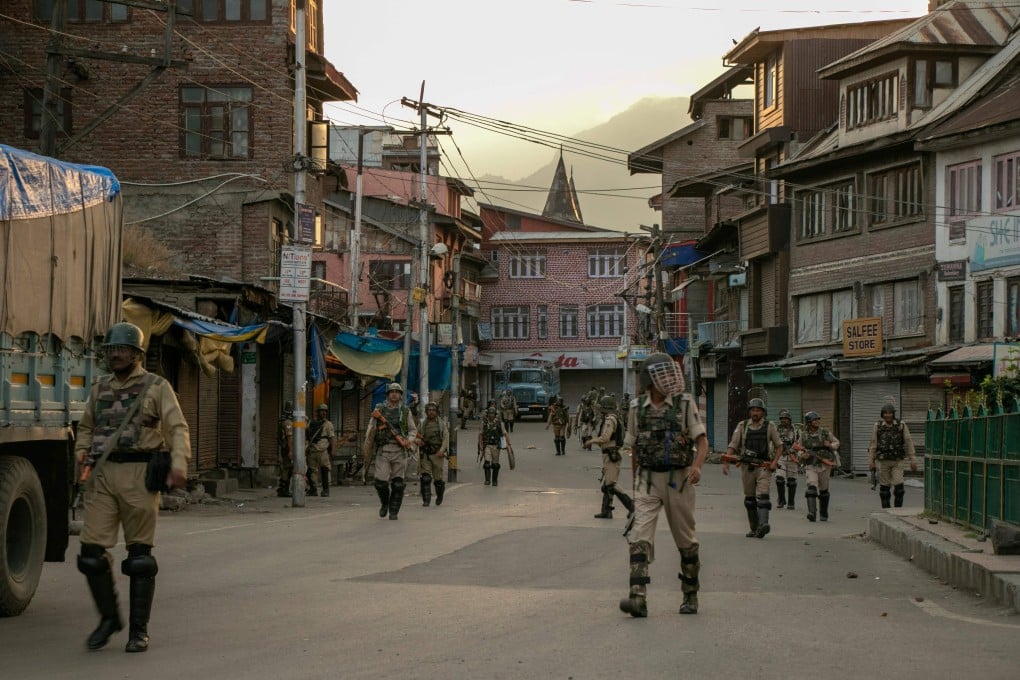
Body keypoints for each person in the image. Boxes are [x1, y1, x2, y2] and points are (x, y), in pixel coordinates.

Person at [74, 322, 191, 653]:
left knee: (139, 557)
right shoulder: (99, 388)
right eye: (111, 350)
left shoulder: (156, 387)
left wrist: (179, 465)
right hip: (102, 474)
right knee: (90, 555)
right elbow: (86, 427)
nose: (116, 355)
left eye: (122, 350)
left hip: (139, 474)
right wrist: (81, 455)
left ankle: (139, 631)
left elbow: (177, 428)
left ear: (138, 354)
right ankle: (109, 618)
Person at [619, 352, 708, 618]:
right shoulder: (636, 408)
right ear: (650, 380)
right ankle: (638, 598)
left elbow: (701, 441)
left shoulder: (683, 404)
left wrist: (697, 467)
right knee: (638, 539)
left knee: (685, 540)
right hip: (647, 480)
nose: (669, 380)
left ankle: (690, 594)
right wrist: (636, 487)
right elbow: (634, 448)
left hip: (677, 480)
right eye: (663, 375)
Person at [722, 398, 783, 538]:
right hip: (747, 467)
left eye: (758, 410)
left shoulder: (770, 426)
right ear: (749, 412)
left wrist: (774, 462)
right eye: (753, 410)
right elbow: (733, 445)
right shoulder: (742, 426)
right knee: (749, 499)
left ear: (763, 412)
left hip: (764, 466)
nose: (755, 413)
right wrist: (726, 462)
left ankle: (763, 524)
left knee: (763, 496)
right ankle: (754, 528)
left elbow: (779, 445)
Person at [364, 383, 417, 519]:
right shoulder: (379, 409)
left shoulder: (405, 411)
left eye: (397, 392)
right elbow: (371, 429)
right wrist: (368, 445)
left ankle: (394, 511)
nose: (394, 394)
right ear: (387, 395)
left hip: (400, 450)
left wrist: (409, 441)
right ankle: (385, 503)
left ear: (400, 395)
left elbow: (412, 430)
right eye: (391, 392)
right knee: (380, 481)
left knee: (398, 484)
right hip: (384, 450)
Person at [590, 394, 634, 520]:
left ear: (605, 407)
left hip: (611, 454)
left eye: (601, 406)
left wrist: (591, 441)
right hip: (609, 454)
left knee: (611, 484)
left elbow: (605, 438)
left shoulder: (610, 419)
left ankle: (631, 506)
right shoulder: (613, 417)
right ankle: (606, 511)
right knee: (607, 485)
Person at [867, 403, 918, 508]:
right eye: (885, 413)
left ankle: (897, 512)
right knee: (884, 490)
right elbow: (873, 444)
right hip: (882, 461)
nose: (888, 415)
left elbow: (909, 441)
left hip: (897, 461)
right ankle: (886, 512)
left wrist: (913, 460)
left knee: (899, 488)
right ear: (882, 414)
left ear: (893, 414)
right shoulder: (878, 426)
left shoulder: (901, 425)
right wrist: (871, 461)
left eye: (890, 413)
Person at [796, 411, 840, 522]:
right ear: (809, 422)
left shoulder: (825, 432)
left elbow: (837, 443)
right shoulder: (804, 435)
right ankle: (812, 512)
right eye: (814, 420)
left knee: (824, 489)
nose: (817, 421)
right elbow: (798, 448)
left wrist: (830, 445)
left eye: (817, 419)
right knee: (811, 486)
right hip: (811, 464)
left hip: (824, 464)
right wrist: (802, 454)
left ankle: (823, 513)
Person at [417, 402, 449, 507]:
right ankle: (426, 500)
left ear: (436, 411)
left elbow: (445, 438)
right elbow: (416, 434)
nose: (431, 412)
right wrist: (418, 441)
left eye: (433, 410)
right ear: (426, 412)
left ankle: (440, 495)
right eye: (429, 410)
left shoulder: (441, 424)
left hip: (437, 454)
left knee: (438, 479)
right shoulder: (422, 424)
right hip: (425, 454)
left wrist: (442, 450)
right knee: (425, 478)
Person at [306, 404, 336, 497]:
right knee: (311, 471)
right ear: (317, 412)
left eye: (325, 411)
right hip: (312, 450)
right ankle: (313, 489)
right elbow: (306, 436)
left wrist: (333, 450)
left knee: (325, 470)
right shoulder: (310, 423)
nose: (323, 413)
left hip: (323, 450)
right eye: (322, 411)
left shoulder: (328, 424)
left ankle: (325, 490)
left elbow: (332, 438)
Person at [775, 409, 800, 510]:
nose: (783, 420)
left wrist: (793, 450)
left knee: (791, 481)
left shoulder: (796, 430)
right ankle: (781, 500)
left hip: (792, 456)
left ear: (789, 419)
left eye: (785, 418)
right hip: (780, 456)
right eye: (782, 418)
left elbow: (799, 442)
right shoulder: (776, 429)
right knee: (779, 479)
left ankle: (791, 502)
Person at [478, 406, 510, 486]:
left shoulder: (499, 423)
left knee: (495, 465)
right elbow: (480, 434)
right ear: (487, 414)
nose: (491, 415)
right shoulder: (484, 423)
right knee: (487, 464)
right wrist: (480, 445)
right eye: (489, 413)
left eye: (492, 413)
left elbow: (505, 433)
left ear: (495, 414)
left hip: (496, 446)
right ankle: (487, 480)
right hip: (487, 445)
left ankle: (495, 480)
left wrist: (508, 444)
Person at [276, 401, 295, 497]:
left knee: (289, 468)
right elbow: (289, 437)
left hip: (286, 448)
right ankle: (283, 489)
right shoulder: (288, 423)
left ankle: (284, 489)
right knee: (287, 468)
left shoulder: (285, 422)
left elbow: (301, 427)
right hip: (287, 448)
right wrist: (291, 451)